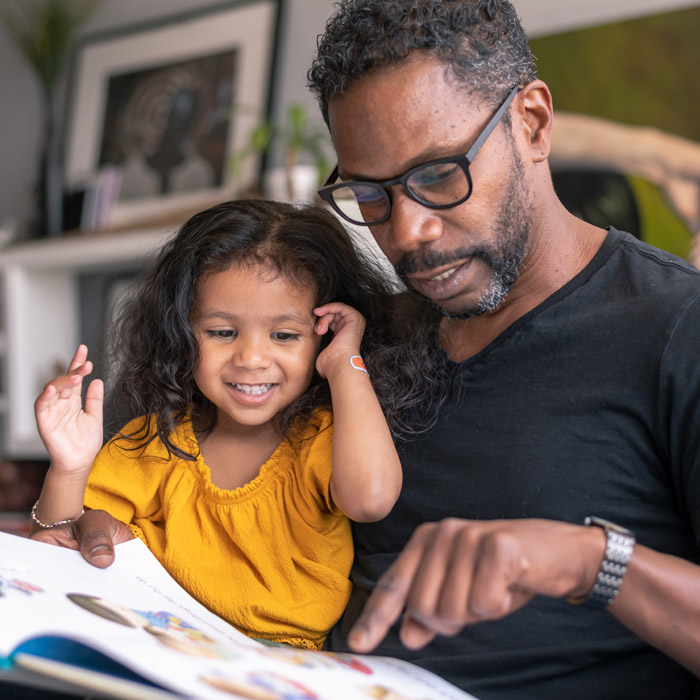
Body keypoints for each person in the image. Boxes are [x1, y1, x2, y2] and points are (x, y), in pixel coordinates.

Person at [304, 0, 700, 698]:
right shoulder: (363, 336)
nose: (407, 233)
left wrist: (591, 562)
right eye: (371, 194)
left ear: (533, 122)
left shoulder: (675, 327)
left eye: (436, 174)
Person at [30, 199, 447, 651]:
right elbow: (55, 543)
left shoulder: (323, 437)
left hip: (281, 664)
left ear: (323, 335)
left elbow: (370, 500)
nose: (251, 359)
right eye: (222, 332)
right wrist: (70, 468)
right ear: (182, 334)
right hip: (158, 643)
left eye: (285, 336)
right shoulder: (154, 441)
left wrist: (347, 362)